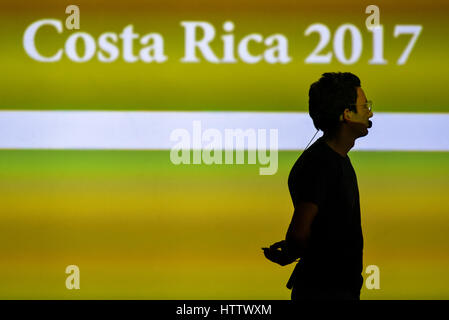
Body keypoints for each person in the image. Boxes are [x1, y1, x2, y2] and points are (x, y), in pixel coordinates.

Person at [262, 72, 374, 300]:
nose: (370, 113)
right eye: (365, 106)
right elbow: (299, 232)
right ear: (347, 114)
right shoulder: (321, 164)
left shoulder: (331, 160)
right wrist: (293, 249)